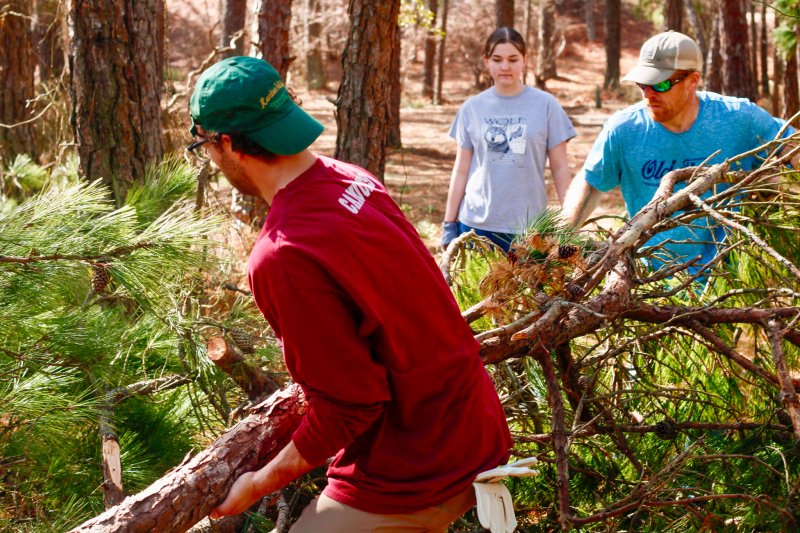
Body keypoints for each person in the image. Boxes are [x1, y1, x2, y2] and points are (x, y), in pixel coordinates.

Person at [188, 56, 512, 532]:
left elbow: (350, 404)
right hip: (476, 426)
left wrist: (257, 483)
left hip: (418, 467)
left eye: (205, 147)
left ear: (228, 144)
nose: (211, 160)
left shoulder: (282, 253)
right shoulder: (351, 178)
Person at [562, 30, 796, 275]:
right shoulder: (624, 129)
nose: (649, 94)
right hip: (649, 281)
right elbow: (591, 182)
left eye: (660, 84)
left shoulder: (738, 118)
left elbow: (792, 148)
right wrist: (560, 238)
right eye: (642, 85)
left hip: (730, 278)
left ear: (692, 81)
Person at [441, 27, 576, 252]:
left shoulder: (546, 105)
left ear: (525, 60)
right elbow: (461, 169)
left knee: (532, 289)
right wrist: (449, 223)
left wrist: (571, 224)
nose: (505, 66)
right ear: (486, 61)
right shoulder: (471, 108)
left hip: (531, 229)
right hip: (476, 226)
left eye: (513, 59)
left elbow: (560, 169)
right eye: (497, 59)